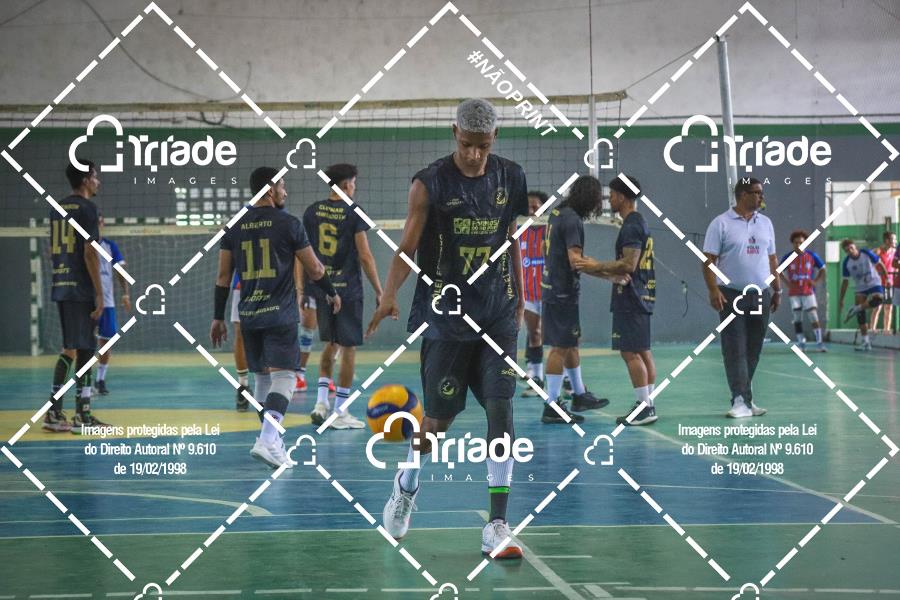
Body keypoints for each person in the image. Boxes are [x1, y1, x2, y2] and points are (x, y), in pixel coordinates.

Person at [367, 99, 526, 559]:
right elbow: (407, 246)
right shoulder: (430, 182)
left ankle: (497, 524)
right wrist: (389, 293)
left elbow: (510, 237)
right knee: (437, 423)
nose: (474, 154)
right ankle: (406, 484)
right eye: (467, 144)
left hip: (496, 312)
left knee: (501, 409)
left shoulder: (511, 177)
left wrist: (519, 296)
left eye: (483, 146)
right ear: (454, 133)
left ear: (494, 139)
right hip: (446, 315)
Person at [210, 167, 340, 468]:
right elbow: (315, 268)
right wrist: (331, 293)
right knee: (285, 377)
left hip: (249, 314)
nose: (285, 191)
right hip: (279, 313)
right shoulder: (289, 223)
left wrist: (217, 317)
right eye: (282, 185)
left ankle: (273, 442)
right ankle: (267, 439)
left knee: (262, 379)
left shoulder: (234, 226)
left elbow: (223, 277)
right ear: (270, 189)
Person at [304, 163, 383, 429]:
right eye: (354, 183)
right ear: (347, 184)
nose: (354, 188)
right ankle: (340, 411)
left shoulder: (312, 211)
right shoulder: (353, 211)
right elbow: (365, 256)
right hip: (348, 289)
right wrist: (380, 290)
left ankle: (320, 404)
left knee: (331, 344)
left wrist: (301, 289)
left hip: (323, 288)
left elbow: (303, 253)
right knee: (348, 348)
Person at [575, 175, 657, 426]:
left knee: (630, 352)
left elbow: (629, 265)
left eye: (611, 195)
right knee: (643, 351)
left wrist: (595, 265)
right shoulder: (637, 222)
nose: (609, 200)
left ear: (622, 196)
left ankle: (643, 407)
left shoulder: (632, 225)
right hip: (642, 294)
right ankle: (648, 403)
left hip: (631, 297)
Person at [702, 178, 781, 418]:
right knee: (735, 347)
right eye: (757, 192)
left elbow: (772, 259)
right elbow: (708, 261)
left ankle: (747, 398)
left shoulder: (766, 223)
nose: (761, 197)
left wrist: (777, 289)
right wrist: (713, 290)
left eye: (761, 192)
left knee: (754, 348)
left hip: (760, 294)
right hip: (731, 294)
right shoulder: (720, 223)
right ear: (742, 195)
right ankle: (739, 401)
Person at [45, 160, 109, 433]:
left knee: (72, 348)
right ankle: (81, 415)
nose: (98, 181)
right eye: (95, 176)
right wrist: (99, 293)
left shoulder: (56, 208)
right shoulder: (88, 208)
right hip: (80, 288)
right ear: (85, 180)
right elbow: (90, 252)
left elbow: (52, 251)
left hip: (61, 284)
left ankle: (55, 412)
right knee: (84, 348)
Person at [539, 175, 609, 424]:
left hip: (554, 288)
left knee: (570, 342)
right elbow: (576, 261)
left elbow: (552, 250)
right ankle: (552, 405)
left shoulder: (558, 213)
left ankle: (579, 395)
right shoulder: (572, 220)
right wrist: (607, 273)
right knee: (559, 347)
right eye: (597, 199)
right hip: (562, 292)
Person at [95, 214, 131, 395]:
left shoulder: (110, 246)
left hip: (107, 302)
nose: (97, 224)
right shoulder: (80, 246)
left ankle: (100, 380)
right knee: (82, 344)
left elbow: (120, 270)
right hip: (85, 301)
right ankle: (83, 384)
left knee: (106, 342)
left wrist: (125, 293)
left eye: (99, 222)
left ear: (102, 224)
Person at [780, 229, 826, 352]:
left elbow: (823, 268)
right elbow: (779, 272)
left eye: (801, 242)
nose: (798, 245)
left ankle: (820, 343)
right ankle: (801, 343)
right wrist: (787, 284)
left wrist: (815, 281)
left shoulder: (812, 256)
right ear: (792, 244)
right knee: (797, 318)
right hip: (794, 293)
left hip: (808, 292)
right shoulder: (788, 257)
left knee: (813, 316)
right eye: (796, 243)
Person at [838, 239, 887, 352]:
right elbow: (845, 282)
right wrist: (841, 299)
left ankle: (856, 308)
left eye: (851, 248)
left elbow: (880, 264)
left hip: (874, 282)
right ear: (845, 252)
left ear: (855, 247)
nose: (850, 251)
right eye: (847, 250)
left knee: (878, 300)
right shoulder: (846, 263)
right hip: (860, 287)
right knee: (861, 315)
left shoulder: (865, 253)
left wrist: (887, 279)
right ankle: (866, 342)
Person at [520, 190, 546, 395]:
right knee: (534, 333)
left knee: (553, 337)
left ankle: (566, 378)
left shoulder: (550, 230)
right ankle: (537, 378)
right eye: (528, 206)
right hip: (527, 294)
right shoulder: (519, 231)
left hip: (548, 293)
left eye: (535, 206)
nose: (531, 210)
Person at [228, 271, 252, 411]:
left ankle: (243, 385)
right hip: (268, 282)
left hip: (244, 280)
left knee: (241, 334)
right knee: (241, 333)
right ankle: (244, 385)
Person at [871, 231, 896, 333]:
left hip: (890, 283)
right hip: (878, 283)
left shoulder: (895, 252)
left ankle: (887, 330)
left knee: (888, 307)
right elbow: (869, 262)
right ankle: (872, 329)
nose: (895, 241)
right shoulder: (878, 251)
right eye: (893, 239)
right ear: (886, 240)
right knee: (877, 307)